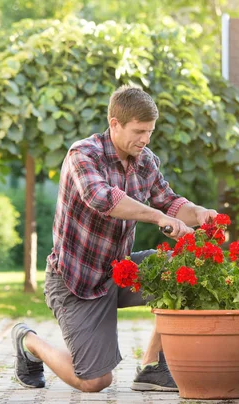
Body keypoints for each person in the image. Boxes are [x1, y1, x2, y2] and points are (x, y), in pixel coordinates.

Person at [11, 85, 218, 393]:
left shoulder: (145, 160)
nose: (145, 139)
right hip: (76, 282)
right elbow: (103, 199)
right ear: (114, 124)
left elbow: (171, 202)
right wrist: (159, 218)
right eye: (139, 131)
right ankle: (28, 342)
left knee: (188, 270)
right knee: (94, 381)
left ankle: (152, 366)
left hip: (118, 272)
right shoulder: (83, 155)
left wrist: (200, 213)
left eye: (149, 131)